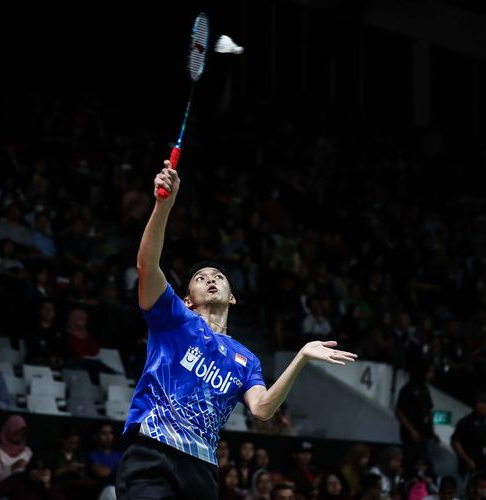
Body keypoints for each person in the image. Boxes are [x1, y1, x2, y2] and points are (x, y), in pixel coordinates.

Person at [114, 161, 357, 500]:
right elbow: (146, 265)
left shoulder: (246, 359)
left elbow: (262, 410)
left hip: (202, 469)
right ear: (186, 300)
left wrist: (301, 357)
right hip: (154, 452)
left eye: (218, 277)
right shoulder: (172, 319)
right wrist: (163, 205)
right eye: (201, 278)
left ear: (233, 296)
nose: (211, 279)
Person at [450, 393, 486, 481]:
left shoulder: (484, 426)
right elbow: (455, 441)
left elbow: (484, 447)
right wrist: (466, 459)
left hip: (482, 465)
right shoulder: (467, 422)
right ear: (479, 404)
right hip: (470, 466)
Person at [395, 362, 439, 472]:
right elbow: (399, 411)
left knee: (424, 463)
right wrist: (411, 430)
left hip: (423, 433)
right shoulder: (408, 389)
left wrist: (432, 431)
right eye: (430, 372)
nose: (431, 375)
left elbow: (429, 410)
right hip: (410, 435)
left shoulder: (425, 389)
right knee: (410, 463)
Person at [0, 455, 65, 500]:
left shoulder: (51, 485)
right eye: (37, 469)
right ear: (30, 469)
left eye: (43, 470)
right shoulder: (18, 480)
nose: (39, 473)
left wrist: (47, 487)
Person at [0, 415, 33, 482]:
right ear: (9, 431)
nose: (20, 435)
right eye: (17, 432)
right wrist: (13, 467)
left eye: (23, 432)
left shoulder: (27, 451)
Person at [87, 423, 122, 490]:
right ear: (95, 436)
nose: (108, 437)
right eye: (104, 433)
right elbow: (99, 472)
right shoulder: (92, 455)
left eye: (110, 433)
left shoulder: (119, 455)